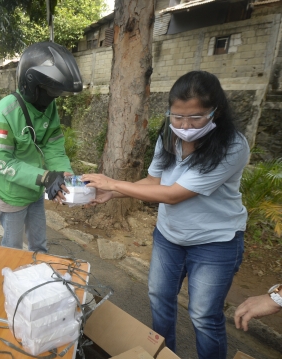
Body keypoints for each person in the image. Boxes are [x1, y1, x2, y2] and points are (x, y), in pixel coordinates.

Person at [83, 71, 249, 359]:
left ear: (216, 112)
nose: (185, 126)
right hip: (169, 236)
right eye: (177, 116)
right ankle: (163, 354)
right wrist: (113, 193)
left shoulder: (232, 146)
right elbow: (153, 183)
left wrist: (111, 182)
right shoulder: (168, 136)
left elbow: (174, 193)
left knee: (203, 316)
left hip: (215, 242)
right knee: (160, 300)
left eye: (195, 117)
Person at [0, 41, 83, 253]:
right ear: (33, 84)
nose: (54, 98)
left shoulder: (49, 106)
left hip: (36, 191)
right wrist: (46, 177)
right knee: (12, 249)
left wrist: (64, 174)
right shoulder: (5, 113)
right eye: (51, 91)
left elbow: (53, 145)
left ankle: (38, 283)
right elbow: (3, 163)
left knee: (39, 246)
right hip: (12, 195)